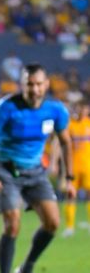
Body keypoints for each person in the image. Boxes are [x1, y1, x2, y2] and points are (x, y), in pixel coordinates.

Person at [0, 63, 74, 273]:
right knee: (12, 224)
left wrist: (68, 179)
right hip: (5, 170)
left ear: (46, 85)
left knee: (52, 223)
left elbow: (66, 142)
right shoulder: (7, 107)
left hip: (35, 172)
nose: (35, 89)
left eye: (39, 84)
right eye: (30, 84)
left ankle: (26, 269)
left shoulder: (56, 110)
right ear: (22, 85)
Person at [62, 101, 90, 237]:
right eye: (80, 108)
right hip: (73, 167)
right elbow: (61, 144)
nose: (82, 111)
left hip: (88, 166)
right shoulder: (69, 125)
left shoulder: (89, 124)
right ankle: (69, 227)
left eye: (84, 108)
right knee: (71, 196)